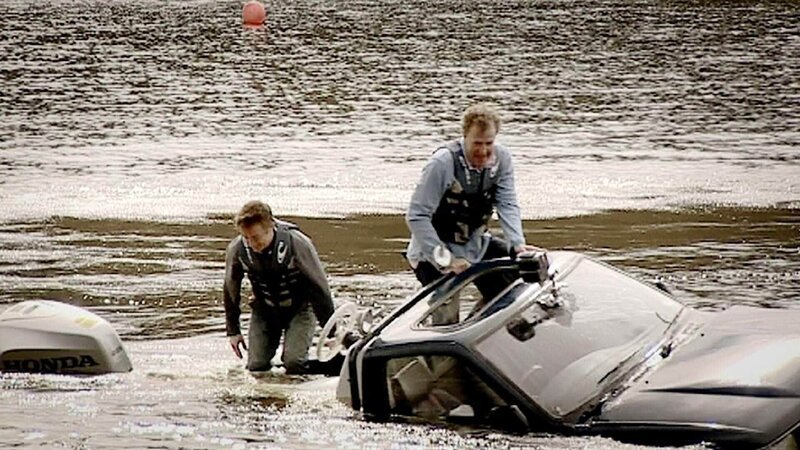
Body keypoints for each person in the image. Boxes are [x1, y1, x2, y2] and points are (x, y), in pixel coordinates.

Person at [405, 103, 541, 300]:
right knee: (446, 309)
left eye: (489, 143)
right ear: (465, 137)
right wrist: (448, 261)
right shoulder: (441, 163)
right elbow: (416, 216)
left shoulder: (502, 159)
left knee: (518, 284)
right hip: (432, 254)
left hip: (476, 245)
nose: (484, 151)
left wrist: (517, 244)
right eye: (477, 143)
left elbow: (507, 204)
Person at [223, 200, 335, 374]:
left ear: (271, 228)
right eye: (246, 238)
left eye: (256, 238)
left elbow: (319, 289)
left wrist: (332, 332)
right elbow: (230, 289)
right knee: (256, 366)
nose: (251, 244)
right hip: (265, 310)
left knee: (294, 362)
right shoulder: (237, 249)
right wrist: (233, 330)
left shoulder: (297, 244)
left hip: (300, 309)